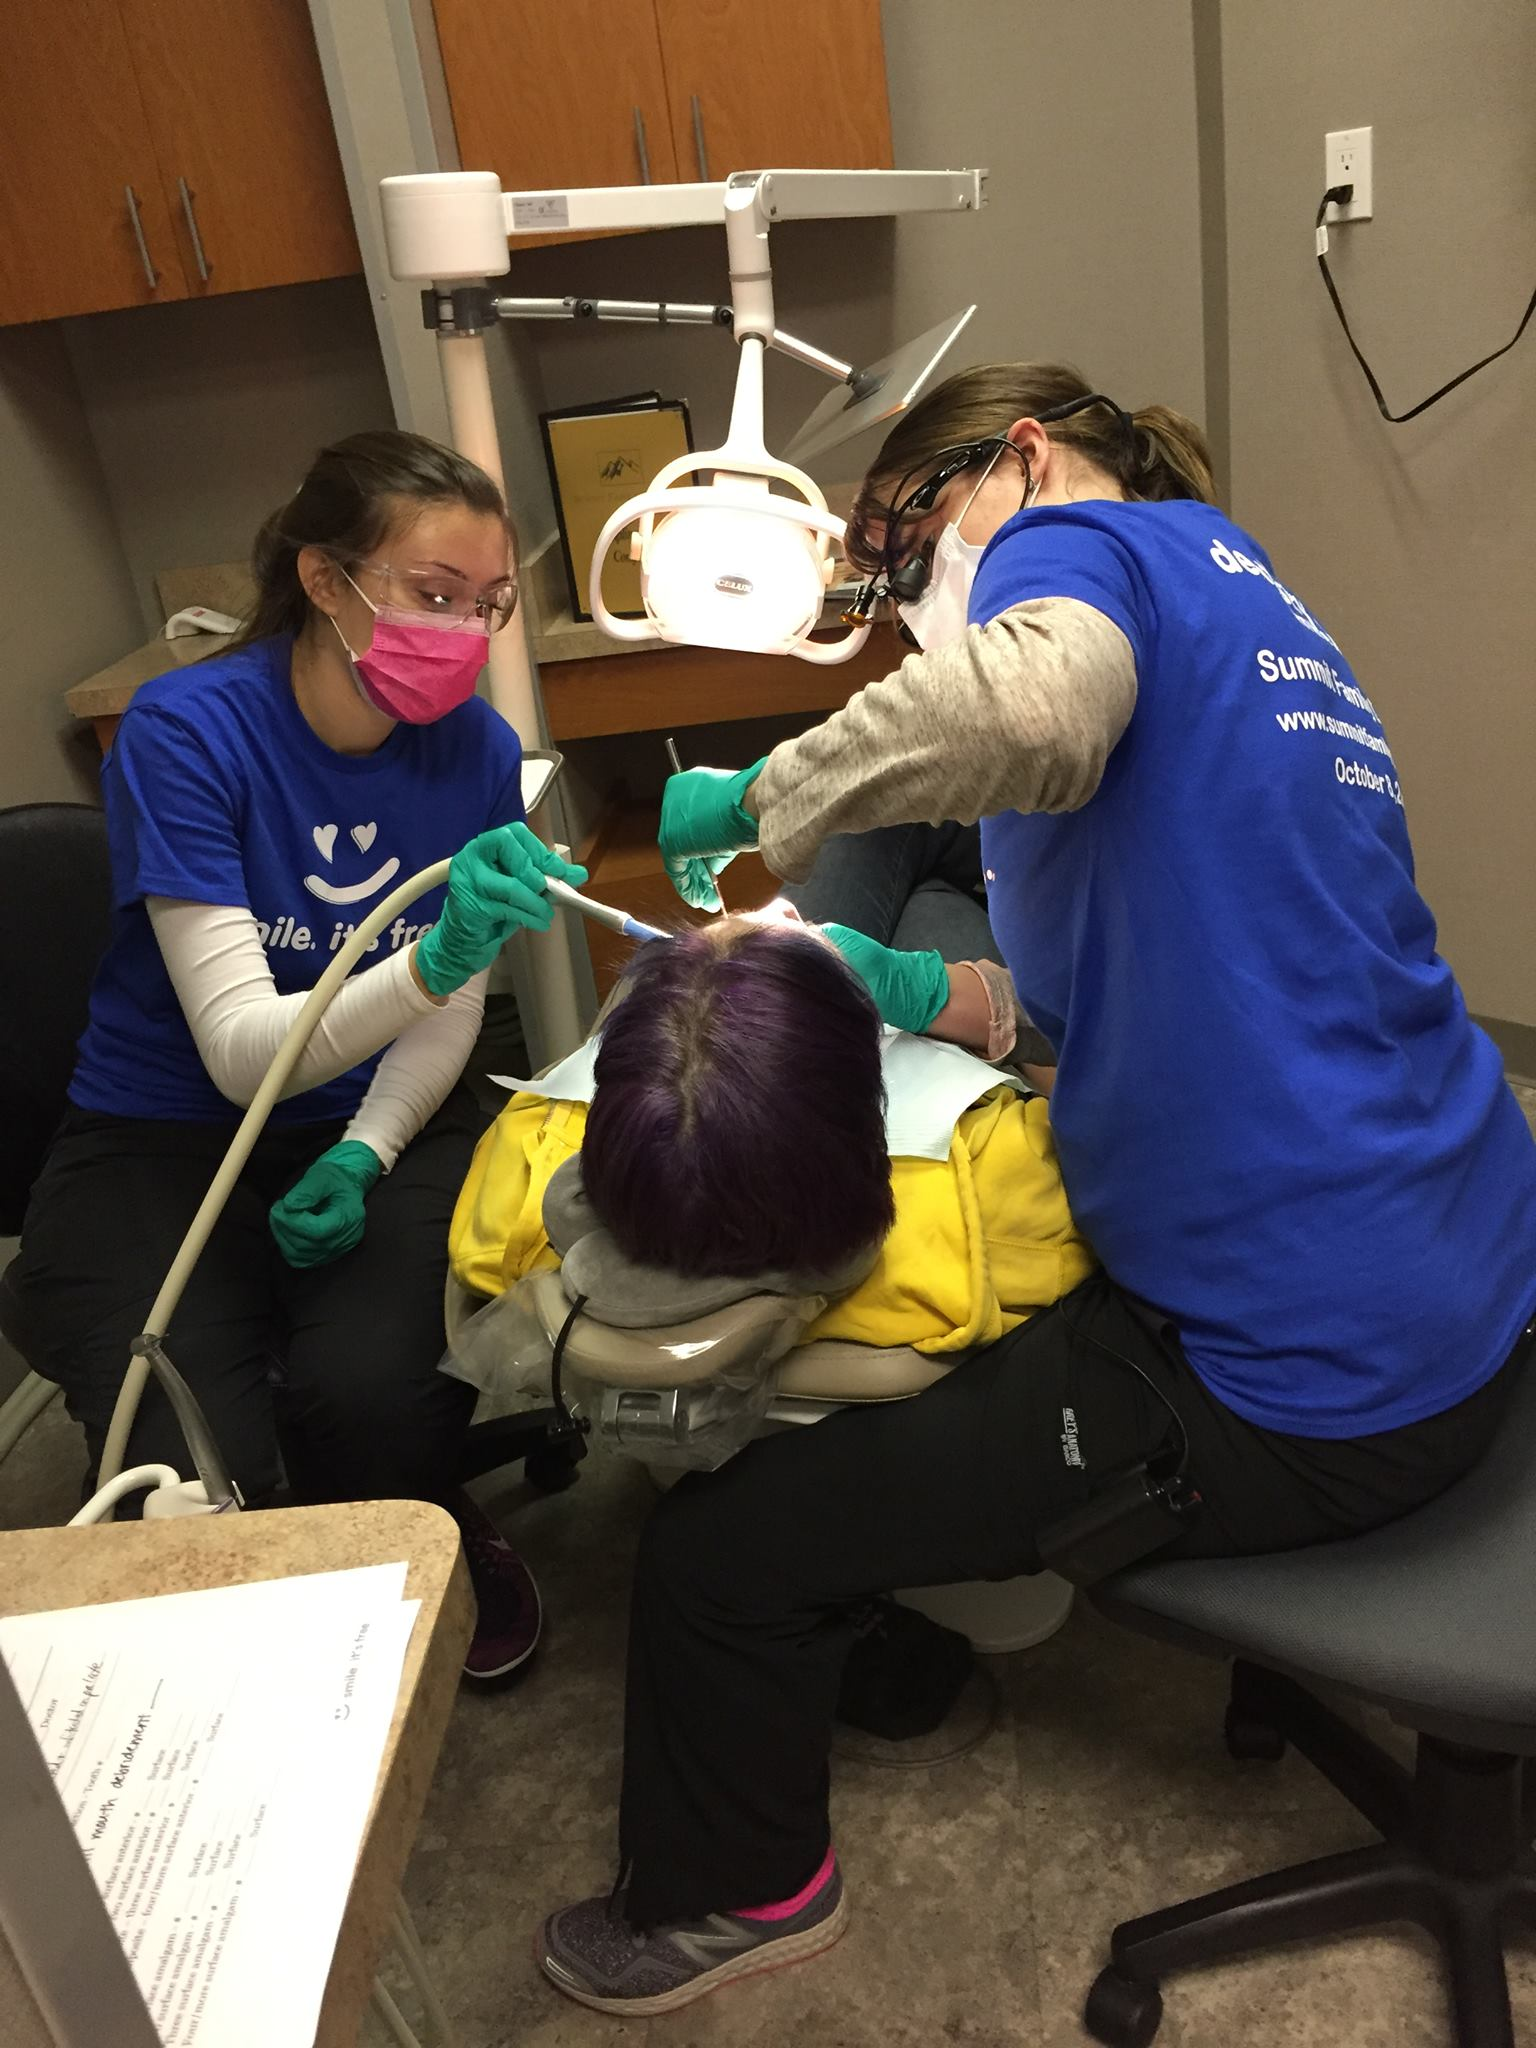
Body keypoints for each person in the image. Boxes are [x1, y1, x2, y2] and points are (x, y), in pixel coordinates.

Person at [536, 363, 1536, 2012]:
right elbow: (1123, 989)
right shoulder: (1248, 603)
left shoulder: (1091, 549)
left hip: (1311, 1378)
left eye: (901, 546)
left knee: (727, 1543)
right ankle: (895, 1652)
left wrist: (763, 797)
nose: (905, 601)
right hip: (1470, 1251)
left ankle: (731, 1892)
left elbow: (1027, 708)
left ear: (1020, 459)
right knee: (917, 1409)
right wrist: (917, 988)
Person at [9, 429, 587, 1686]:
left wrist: (369, 1149)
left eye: (488, 602)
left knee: (378, 1395)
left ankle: (420, 1515)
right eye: (433, 593)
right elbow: (241, 1054)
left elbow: (442, 1020)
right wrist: (434, 959)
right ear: (326, 579)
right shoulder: (187, 733)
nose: (465, 631)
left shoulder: (477, 753)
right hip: (167, 1127)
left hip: (377, 1109)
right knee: (179, 1450)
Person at [447, 915, 1089, 1355]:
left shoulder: (514, 1197)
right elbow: (1094, 1064)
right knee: (926, 891)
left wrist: (731, 976)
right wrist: (956, 997)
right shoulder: (1010, 1198)